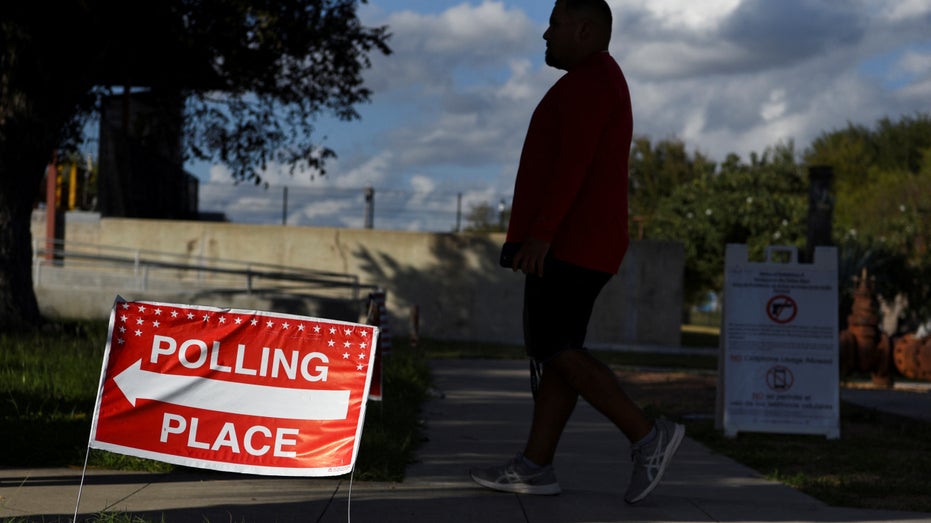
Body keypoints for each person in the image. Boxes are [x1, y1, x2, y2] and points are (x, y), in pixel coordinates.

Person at [469, 0, 684, 504]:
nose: (545, 35)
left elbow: (574, 166)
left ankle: (648, 437)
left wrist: (542, 235)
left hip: (571, 242)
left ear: (585, 30)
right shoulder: (591, 80)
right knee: (558, 351)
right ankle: (535, 466)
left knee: (558, 349)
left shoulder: (591, 82)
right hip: (576, 241)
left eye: (555, 24)